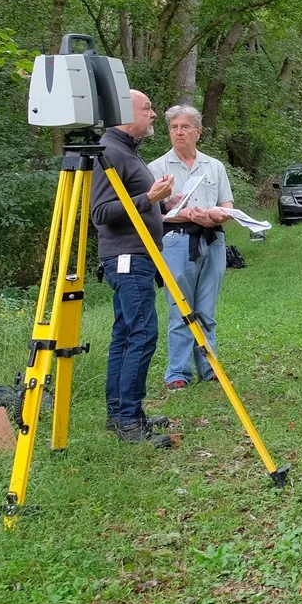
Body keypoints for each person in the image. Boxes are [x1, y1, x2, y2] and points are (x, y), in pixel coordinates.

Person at [91, 89, 175, 447]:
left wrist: (162, 206)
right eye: (148, 108)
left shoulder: (124, 152)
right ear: (126, 112)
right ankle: (128, 419)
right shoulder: (109, 152)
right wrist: (149, 199)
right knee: (141, 334)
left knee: (126, 334)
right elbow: (101, 213)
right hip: (127, 259)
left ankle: (123, 414)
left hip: (137, 257)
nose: (153, 114)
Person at [148, 104, 235, 392]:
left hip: (213, 239)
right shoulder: (157, 168)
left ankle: (210, 368)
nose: (178, 132)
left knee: (207, 309)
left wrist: (216, 216)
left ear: (198, 132)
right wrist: (185, 214)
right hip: (176, 241)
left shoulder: (214, 166)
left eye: (185, 127)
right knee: (180, 309)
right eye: (173, 127)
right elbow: (153, 212)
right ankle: (177, 373)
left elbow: (227, 204)